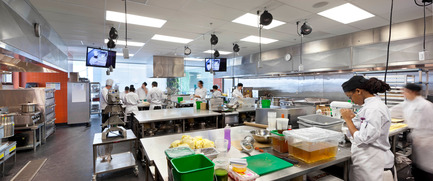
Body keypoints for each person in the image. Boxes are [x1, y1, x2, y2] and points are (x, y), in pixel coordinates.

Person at [340, 76, 395, 181]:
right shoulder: (370, 106)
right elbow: (365, 130)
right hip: (368, 162)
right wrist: (354, 119)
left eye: (350, 96)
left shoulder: (373, 108)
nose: (351, 101)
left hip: (372, 164)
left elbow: (363, 138)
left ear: (358, 91)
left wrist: (348, 120)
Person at [390, 83, 433, 180]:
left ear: (412, 92)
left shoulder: (426, 105)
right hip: (419, 142)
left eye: (404, 91)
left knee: (427, 171)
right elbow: (393, 111)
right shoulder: (408, 103)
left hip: (428, 142)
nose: (403, 94)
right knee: (419, 169)